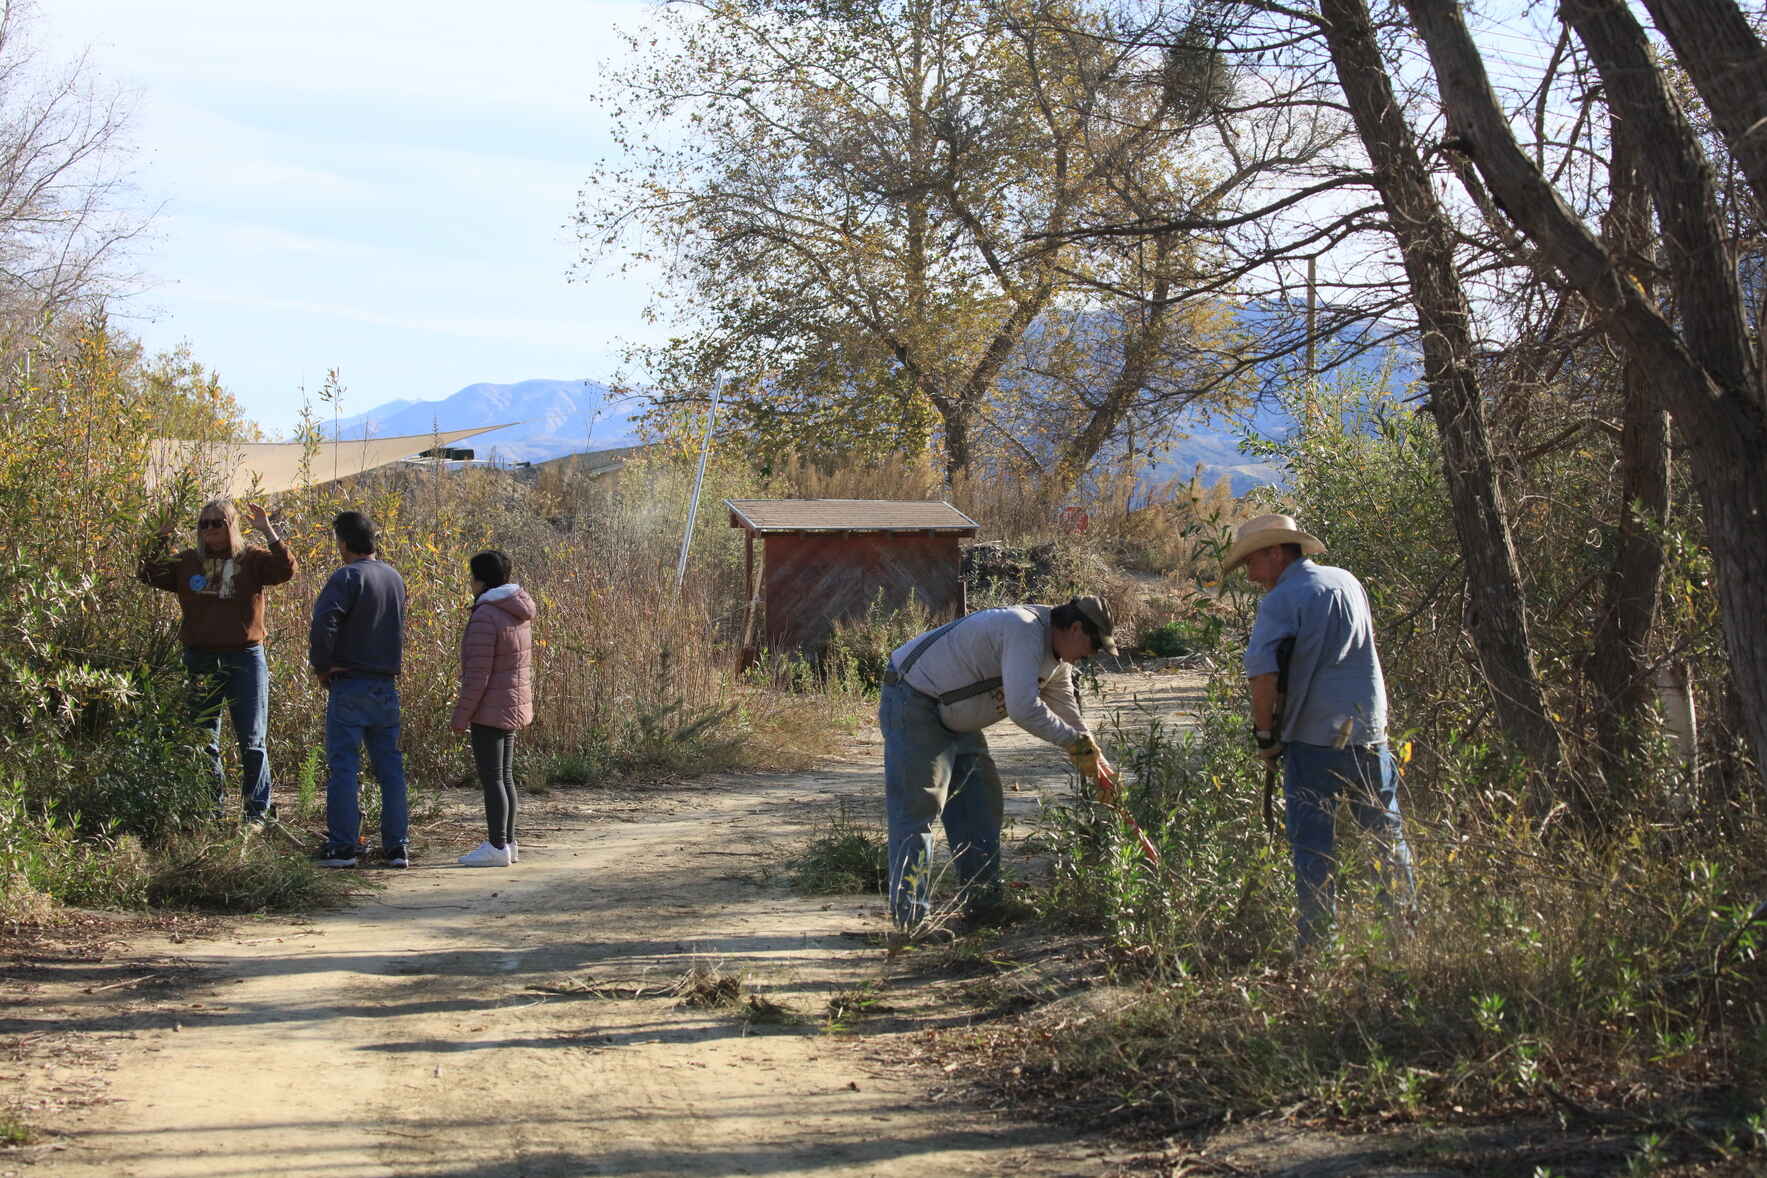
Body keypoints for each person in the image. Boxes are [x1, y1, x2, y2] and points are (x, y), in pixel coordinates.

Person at [1224, 513, 1415, 949]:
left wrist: (1265, 736)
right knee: (1385, 837)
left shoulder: (1281, 599)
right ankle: (1402, 938)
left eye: (1251, 562)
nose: (1251, 575)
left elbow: (1263, 676)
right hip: (1370, 733)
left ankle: (1317, 947)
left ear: (1276, 553)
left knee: (1313, 847)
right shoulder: (1347, 581)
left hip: (1312, 741)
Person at [880, 596, 1117, 929]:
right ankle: (911, 922)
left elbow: (1066, 709)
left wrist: (1098, 761)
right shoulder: (1024, 630)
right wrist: (1075, 745)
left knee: (980, 802)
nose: (1092, 655)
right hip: (915, 699)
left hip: (957, 715)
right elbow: (1024, 708)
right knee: (918, 808)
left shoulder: (1057, 658)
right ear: (1076, 628)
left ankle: (984, 908)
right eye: (1094, 645)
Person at [138, 499, 296, 824]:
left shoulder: (251, 559)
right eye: (203, 523)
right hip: (201, 658)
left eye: (217, 522)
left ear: (232, 525)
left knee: (252, 739)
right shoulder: (187, 562)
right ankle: (211, 811)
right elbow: (148, 573)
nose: (209, 529)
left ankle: (256, 814)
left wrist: (268, 530)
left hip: (245, 657)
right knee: (203, 738)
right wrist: (160, 536)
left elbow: (286, 570)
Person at [309, 511, 410, 868]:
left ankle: (342, 847)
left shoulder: (347, 576)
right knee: (390, 768)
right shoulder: (393, 577)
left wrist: (322, 666)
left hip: (351, 681)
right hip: (385, 684)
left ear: (342, 541)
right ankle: (396, 846)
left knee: (344, 768)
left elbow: (324, 621)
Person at [449, 550, 536, 868]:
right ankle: (508, 843)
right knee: (504, 776)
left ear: (481, 580)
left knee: (493, 778)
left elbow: (478, 674)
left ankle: (497, 845)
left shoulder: (486, 614)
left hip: (490, 707)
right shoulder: (516, 610)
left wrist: (461, 715)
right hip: (511, 702)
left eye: (472, 577)